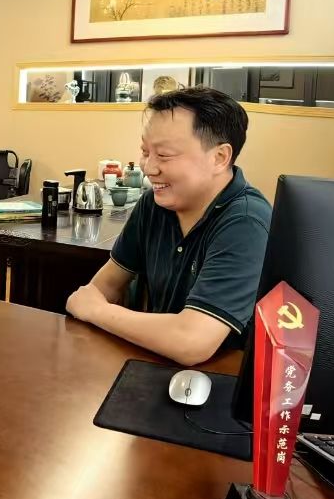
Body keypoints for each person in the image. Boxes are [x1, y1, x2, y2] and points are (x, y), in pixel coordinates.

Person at [65, 87, 271, 366]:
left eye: (164, 155)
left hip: (220, 378)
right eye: (145, 152)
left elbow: (192, 341)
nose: (149, 168)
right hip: (155, 365)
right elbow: (104, 287)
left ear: (219, 157)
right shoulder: (154, 204)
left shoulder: (246, 222)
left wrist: (98, 311)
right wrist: (94, 305)